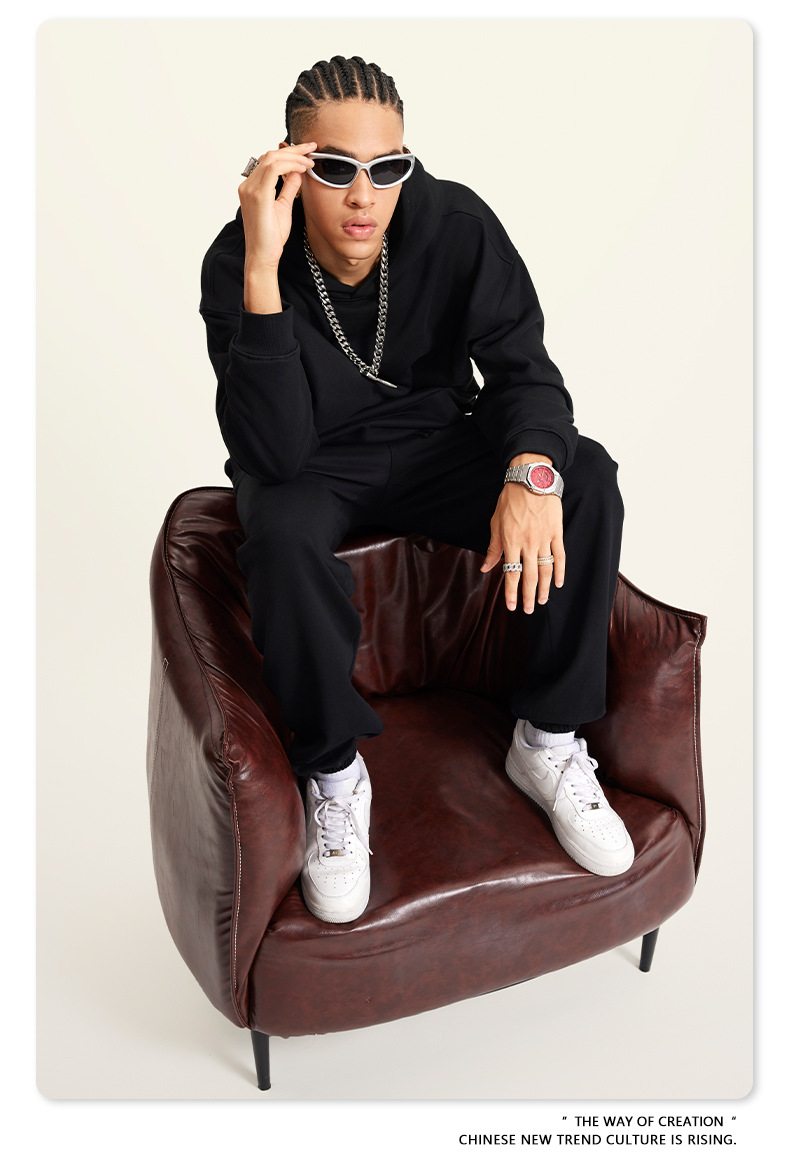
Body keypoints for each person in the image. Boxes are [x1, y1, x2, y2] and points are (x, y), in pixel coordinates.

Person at [200, 55, 632, 925]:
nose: (364, 196)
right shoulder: (240, 259)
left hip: (438, 444)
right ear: (290, 164)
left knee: (584, 477)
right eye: (335, 168)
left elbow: (525, 370)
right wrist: (263, 269)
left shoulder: (454, 223)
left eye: (387, 167)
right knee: (278, 529)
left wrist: (530, 470)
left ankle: (548, 738)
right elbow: (273, 454)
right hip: (312, 463)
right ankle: (333, 773)